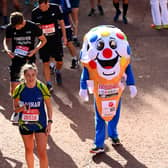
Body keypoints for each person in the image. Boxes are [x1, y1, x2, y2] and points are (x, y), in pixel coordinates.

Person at [79, 25, 137, 154]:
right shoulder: (90, 61)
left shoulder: (123, 59)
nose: (107, 52)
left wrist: (132, 84)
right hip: (100, 93)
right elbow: (86, 71)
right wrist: (83, 87)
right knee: (99, 117)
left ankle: (113, 135)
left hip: (116, 92)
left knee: (115, 113)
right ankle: (99, 144)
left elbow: (127, 68)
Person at [12, 63, 53, 168]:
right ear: (24, 76)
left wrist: (50, 122)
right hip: (25, 124)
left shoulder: (42, 87)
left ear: (36, 75)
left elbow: (49, 106)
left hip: (40, 124)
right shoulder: (19, 89)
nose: (30, 78)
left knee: (42, 152)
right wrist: (22, 108)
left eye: (33, 75)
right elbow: (15, 108)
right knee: (29, 149)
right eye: (28, 75)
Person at [3, 11, 47, 96]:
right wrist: (7, 49)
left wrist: (34, 50)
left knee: (30, 85)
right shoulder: (10, 27)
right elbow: (6, 40)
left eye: (17, 26)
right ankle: (16, 108)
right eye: (14, 26)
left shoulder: (33, 26)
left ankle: (30, 106)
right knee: (13, 90)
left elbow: (44, 40)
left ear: (22, 21)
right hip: (16, 59)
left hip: (29, 60)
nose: (15, 28)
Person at [32, 0, 67, 90]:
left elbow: (62, 22)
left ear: (47, 3)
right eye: (40, 7)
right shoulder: (35, 12)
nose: (42, 9)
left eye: (43, 6)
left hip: (56, 40)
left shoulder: (55, 8)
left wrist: (64, 36)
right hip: (43, 42)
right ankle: (48, 84)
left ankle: (57, 71)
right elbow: (35, 28)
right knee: (45, 62)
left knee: (59, 61)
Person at [50, 0, 79, 69]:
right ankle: (52, 64)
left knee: (69, 43)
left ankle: (75, 59)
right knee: (52, 44)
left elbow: (68, 12)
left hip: (66, 26)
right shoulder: (51, 1)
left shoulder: (65, 1)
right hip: (55, 27)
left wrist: (72, 23)